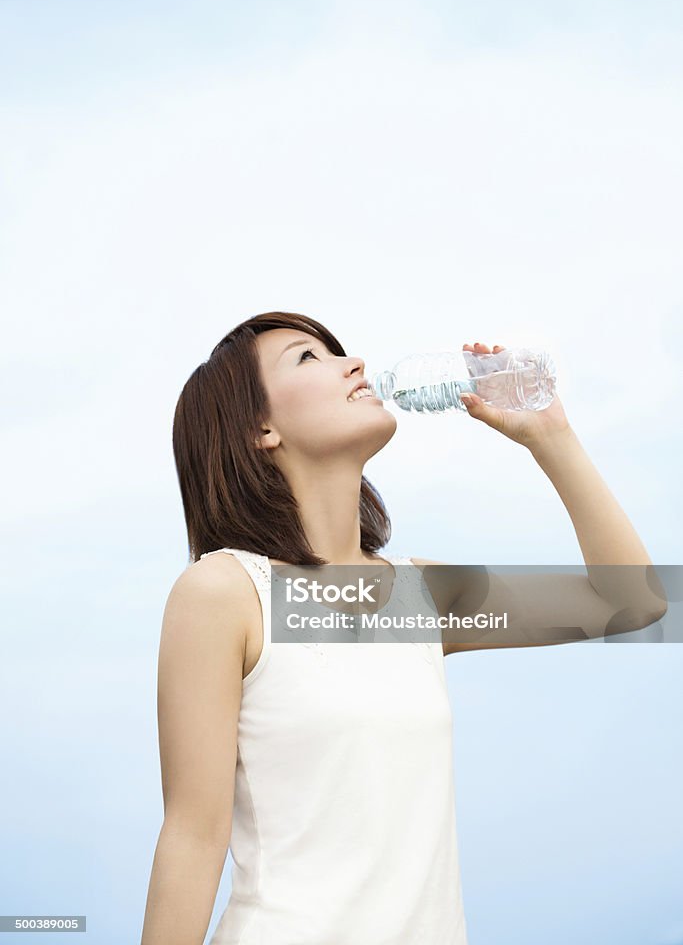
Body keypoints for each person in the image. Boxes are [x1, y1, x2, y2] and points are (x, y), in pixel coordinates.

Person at [140, 310, 666, 945]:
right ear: (261, 429)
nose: (353, 363)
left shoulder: (417, 598)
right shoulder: (226, 592)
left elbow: (632, 601)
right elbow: (193, 839)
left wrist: (550, 435)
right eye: (308, 359)